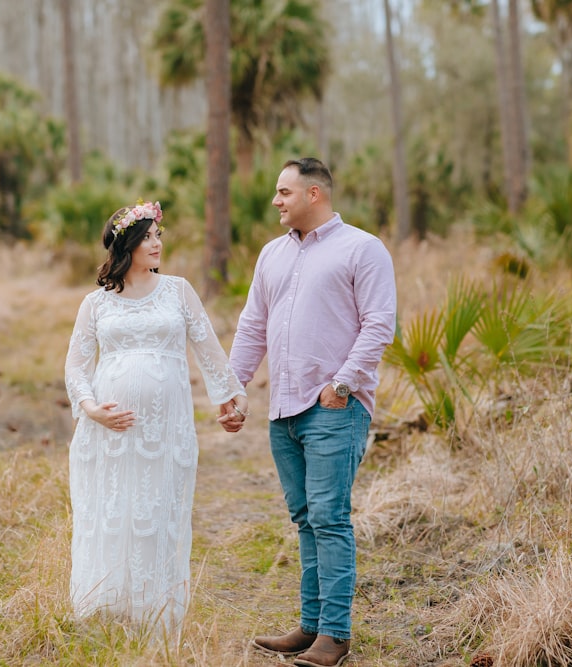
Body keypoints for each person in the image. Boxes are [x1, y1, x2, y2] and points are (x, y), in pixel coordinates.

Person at [230, 158, 397, 666]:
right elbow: (252, 325)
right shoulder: (271, 255)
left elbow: (378, 325)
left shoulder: (362, 249)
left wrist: (341, 384)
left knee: (329, 518)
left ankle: (336, 635)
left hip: (333, 407)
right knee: (305, 519)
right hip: (283, 410)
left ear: (315, 194)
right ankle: (309, 626)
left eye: (284, 192)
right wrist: (233, 387)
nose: (276, 201)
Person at [64, 200, 248, 642]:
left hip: (166, 429)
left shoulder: (178, 291)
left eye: (158, 235)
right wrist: (91, 410)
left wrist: (231, 398)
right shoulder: (96, 304)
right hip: (109, 429)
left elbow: (208, 349)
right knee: (113, 510)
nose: (157, 243)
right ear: (126, 244)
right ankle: (106, 605)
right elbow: (75, 366)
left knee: (157, 509)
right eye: (147, 237)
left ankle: (156, 612)